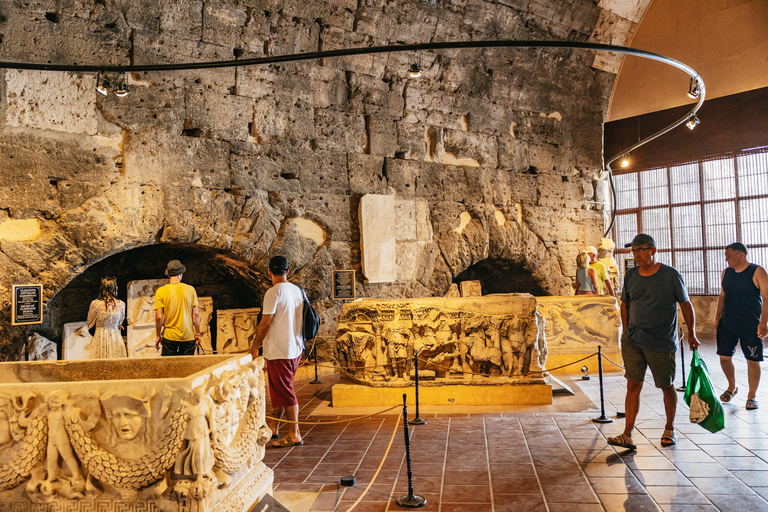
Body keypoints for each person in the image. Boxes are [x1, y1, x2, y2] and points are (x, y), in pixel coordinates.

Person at [607, 234, 700, 450]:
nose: (636, 254)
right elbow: (625, 304)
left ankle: (669, 429)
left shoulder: (670, 275)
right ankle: (627, 434)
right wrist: (627, 329)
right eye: (633, 250)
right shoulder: (631, 276)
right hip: (633, 340)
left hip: (660, 341)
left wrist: (692, 333)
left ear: (653, 250)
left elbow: (686, 304)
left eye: (640, 250)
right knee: (632, 385)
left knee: (666, 386)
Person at [248, 256, 305, 448]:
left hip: (280, 350)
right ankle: (274, 426)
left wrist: (255, 345)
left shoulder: (273, 293)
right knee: (279, 390)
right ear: (288, 271)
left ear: (269, 272)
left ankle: (294, 433)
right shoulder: (297, 290)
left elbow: (265, 323)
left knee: (286, 391)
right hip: (295, 347)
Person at [715, 242, 768, 410]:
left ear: (741, 255)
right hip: (728, 323)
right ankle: (732, 387)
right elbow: (722, 297)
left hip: (750, 324)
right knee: (724, 358)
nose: (726, 259)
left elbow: (766, 298)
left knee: (752, 360)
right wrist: (717, 319)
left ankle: (752, 396)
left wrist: (764, 322)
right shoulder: (726, 273)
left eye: (728, 255)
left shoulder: (757, 271)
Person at [154, 260, 201, 356]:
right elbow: (195, 315)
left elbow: (159, 317)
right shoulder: (190, 289)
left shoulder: (160, 291)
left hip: (169, 337)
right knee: (188, 368)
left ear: (169, 275)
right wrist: (198, 334)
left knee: (169, 368)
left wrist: (158, 335)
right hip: (188, 336)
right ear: (181, 274)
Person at [87, 277, 127, 359]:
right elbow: (120, 322)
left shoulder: (95, 304)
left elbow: (89, 323)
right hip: (116, 338)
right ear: (116, 288)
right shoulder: (122, 304)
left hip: (100, 338)